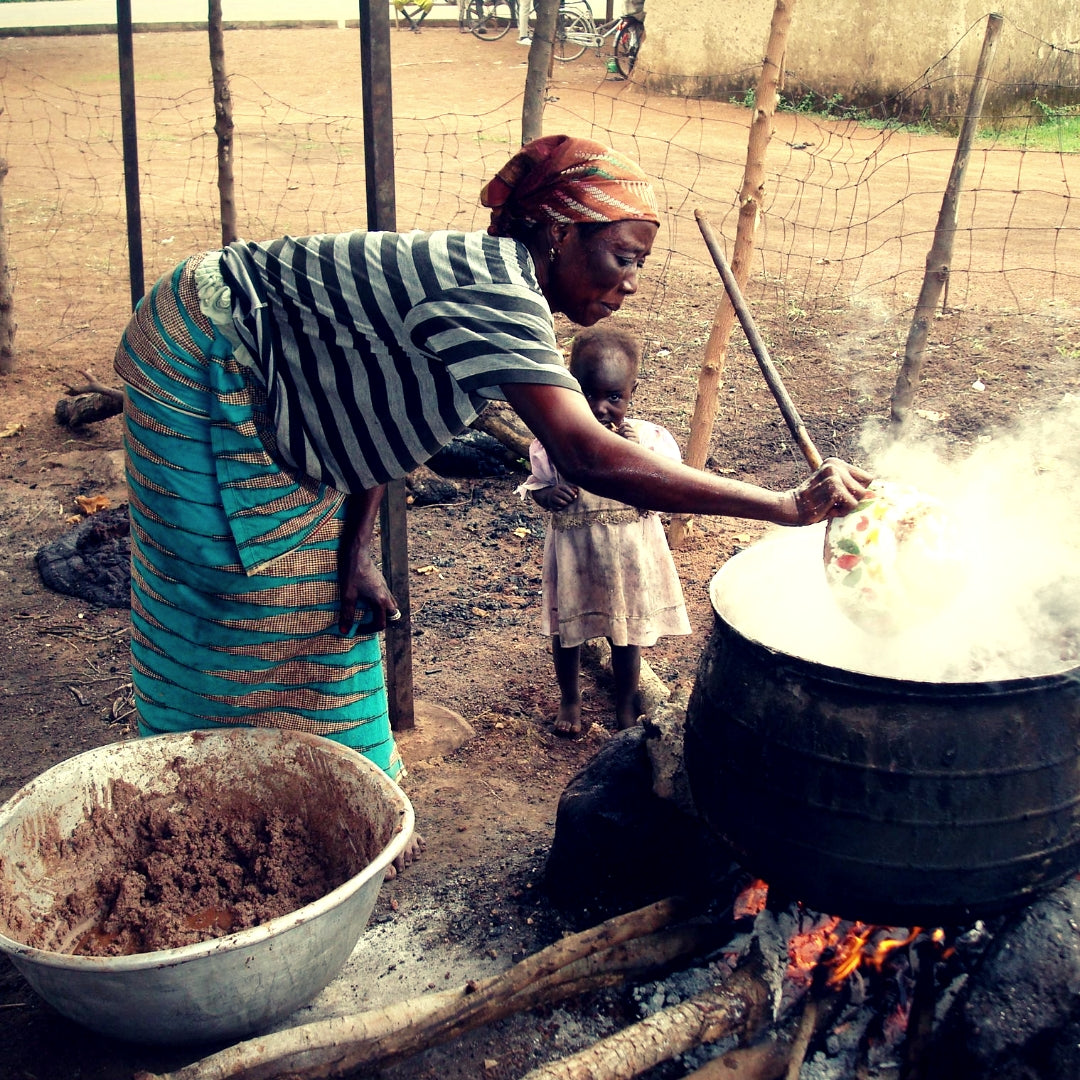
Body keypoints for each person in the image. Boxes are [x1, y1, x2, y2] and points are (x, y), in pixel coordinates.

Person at [113, 133, 870, 875]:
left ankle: (329, 808)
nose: (632, 283)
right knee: (223, 590)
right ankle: (187, 814)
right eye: (623, 257)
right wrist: (782, 507)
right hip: (202, 351)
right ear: (562, 236)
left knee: (323, 607)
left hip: (289, 393)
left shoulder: (507, 295)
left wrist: (355, 555)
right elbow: (587, 454)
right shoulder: (496, 290)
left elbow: (379, 411)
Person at [518, 324, 691, 735]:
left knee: (626, 634)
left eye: (614, 397)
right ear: (570, 387)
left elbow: (670, 488)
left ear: (632, 390)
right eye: (588, 394)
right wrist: (549, 494)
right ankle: (570, 700)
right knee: (568, 633)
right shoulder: (554, 440)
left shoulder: (651, 441)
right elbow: (537, 484)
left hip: (628, 556)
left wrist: (644, 476)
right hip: (576, 556)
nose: (600, 408)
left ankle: (626, 704)